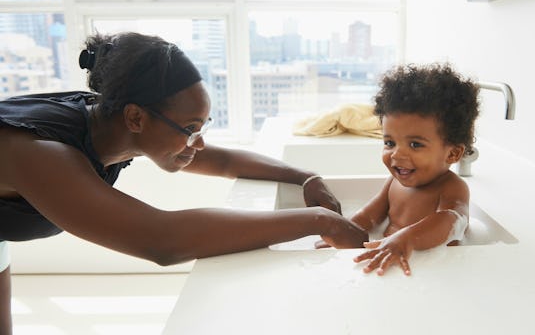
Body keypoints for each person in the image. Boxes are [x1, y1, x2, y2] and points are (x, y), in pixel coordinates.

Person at [0, 32, 367, 333]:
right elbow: (162, 240)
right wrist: (318, 220)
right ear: (136, 118)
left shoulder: (108, 120)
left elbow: (219, 159)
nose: (199, 142)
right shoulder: (42, 154)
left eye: (202, 127)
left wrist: (306, 177)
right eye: (190, 129)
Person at [320, 63, 480, 276]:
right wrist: (343, 232)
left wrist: (407, 239)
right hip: (390, 262)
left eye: (415, 144)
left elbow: (452, 220)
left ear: (452, 154)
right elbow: (368, 217)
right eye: (389, 143)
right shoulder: (394, 183)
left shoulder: (452, 188)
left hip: (433, 271)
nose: (396, 155)